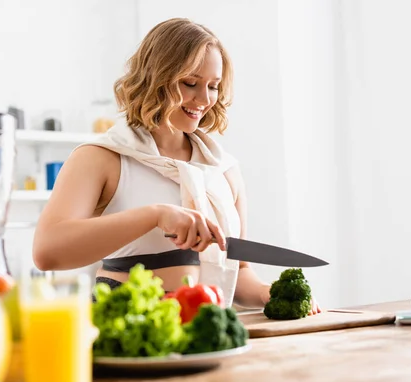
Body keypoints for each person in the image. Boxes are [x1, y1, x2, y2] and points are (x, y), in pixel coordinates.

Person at [32, 17, 320, 313]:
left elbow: (239, 270)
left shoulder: (224, 170)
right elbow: (47, 252)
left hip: (203, 322)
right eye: (190, 83)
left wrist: (264, 293)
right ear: (155, 78)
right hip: (126, 323)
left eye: (213, 86)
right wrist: (155, 215)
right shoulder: (102, 157)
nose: (205, 99)